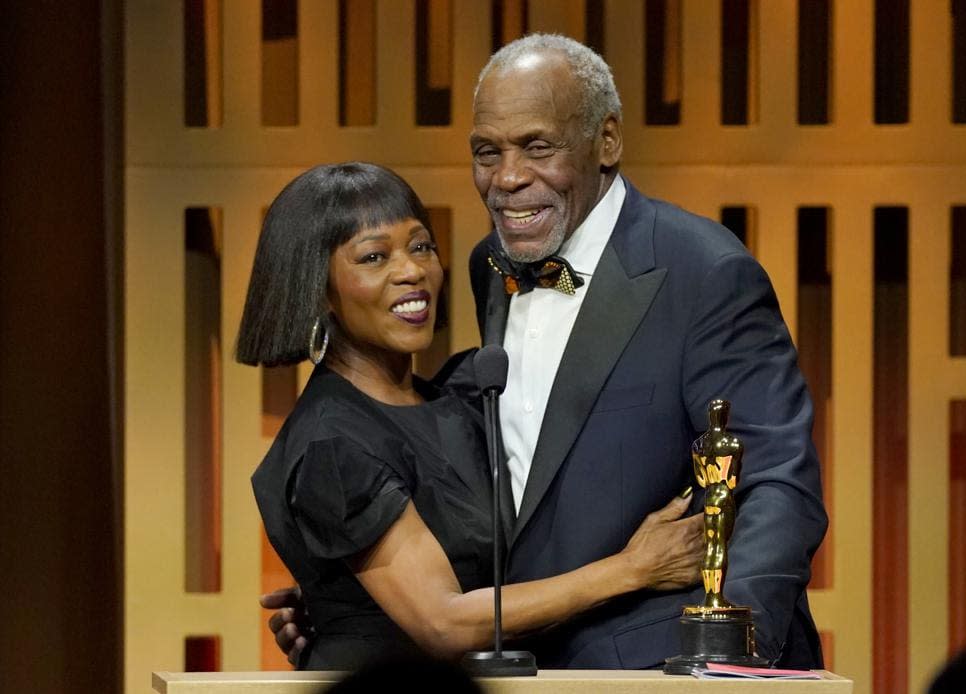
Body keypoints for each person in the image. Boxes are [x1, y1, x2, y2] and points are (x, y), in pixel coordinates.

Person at [266, 33, 828, 670]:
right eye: (487, 151)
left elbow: (777, 481)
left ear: (606, 141)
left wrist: (732, 654)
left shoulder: (702, 269)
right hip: (524, 662)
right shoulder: (493, 265)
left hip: (662, 663)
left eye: (537, 146)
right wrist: (350, 599)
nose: (508, 177)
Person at [239, 161, 703, 670]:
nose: (412, 271)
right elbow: (445, 623)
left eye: (420, 246)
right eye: (374, 257)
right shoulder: (333, 440)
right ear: (316, 289)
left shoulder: (454, 398)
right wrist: (634, 569)